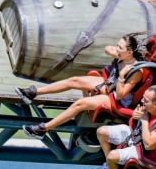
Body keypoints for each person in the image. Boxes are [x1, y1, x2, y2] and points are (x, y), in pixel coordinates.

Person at [20, 33, 148, 138]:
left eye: (120, 47)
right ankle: (33, 93)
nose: (117, 49)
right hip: (110, 84)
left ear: (130, 51)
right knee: (75, 80)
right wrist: (115, 52)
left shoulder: (136, 71)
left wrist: (122, 76)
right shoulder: (123, 56)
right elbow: (107, 49)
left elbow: (120, 95)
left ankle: (43, 130)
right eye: (117, 46)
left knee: (79, 104)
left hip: (118, 99)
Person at [87, 86, 156, 169]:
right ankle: (110, 165)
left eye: (145, 100)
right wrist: (135, 116)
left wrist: (144, 121)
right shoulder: (150, 108)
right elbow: (132, 124)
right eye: (143, 98)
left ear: (155, 104)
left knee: (112, 156)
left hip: (144, 152)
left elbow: (148, 145)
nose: (142, 101)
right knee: (101, 132)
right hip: (136, 135)